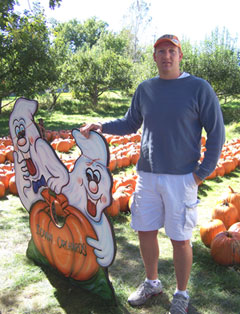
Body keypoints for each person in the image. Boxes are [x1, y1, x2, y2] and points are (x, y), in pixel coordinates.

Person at [80, 34, 225, 313]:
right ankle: (152, 282)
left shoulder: (199, 88)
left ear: (180, 56)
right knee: (145, 231)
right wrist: (101, 125)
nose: (166, 56)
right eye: (161, 51)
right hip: (146, 175)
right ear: (154, 56)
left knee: (180, 238)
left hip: (183, 178)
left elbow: (217, 132)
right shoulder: (145, 88)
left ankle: (181, 294)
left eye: (172, 50)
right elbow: (130, 122)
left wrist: (201, 173)